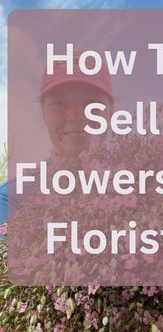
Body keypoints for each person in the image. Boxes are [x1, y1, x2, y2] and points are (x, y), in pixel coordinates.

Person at [0, 53, 114, 235]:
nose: (75, 117)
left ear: (110, 112)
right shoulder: (11, 198)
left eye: (92, 104)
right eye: (59, 104)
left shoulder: (148, 185)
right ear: (43, 112)